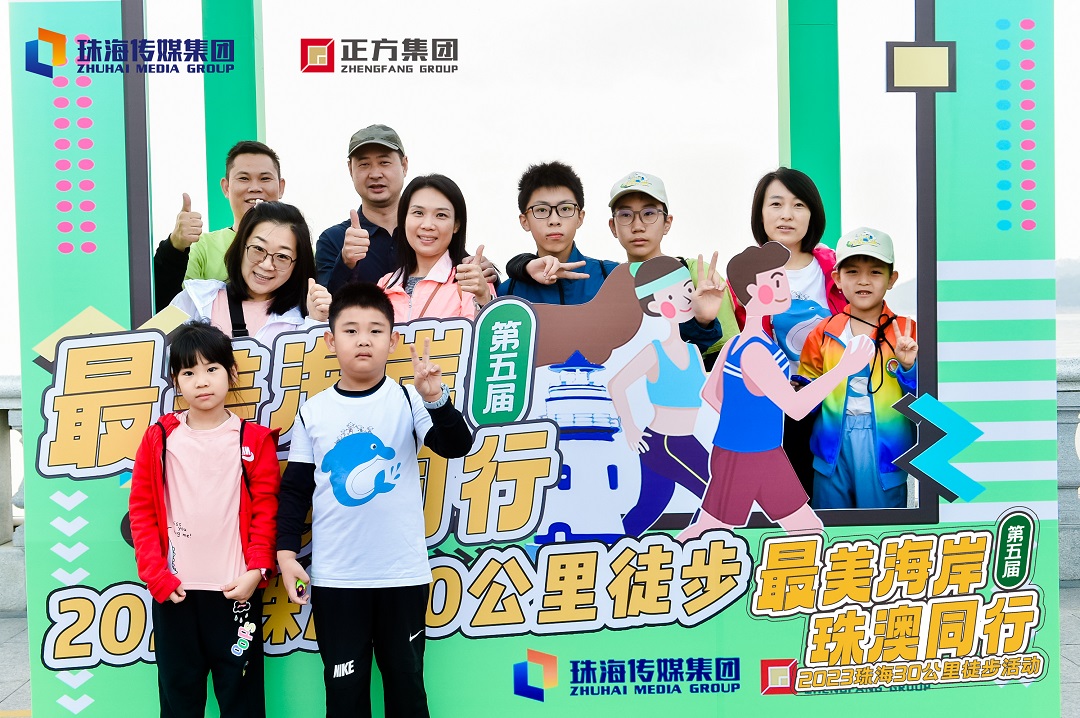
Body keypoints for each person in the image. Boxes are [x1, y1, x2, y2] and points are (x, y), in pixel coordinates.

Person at [276, 282, 473, 717]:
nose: (363, 340)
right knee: (344, 697)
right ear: (331, 341)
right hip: (337, 581)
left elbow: (455, 445)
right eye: (350, 330)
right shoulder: (314, 410)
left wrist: (436, 400)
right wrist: (286, 555)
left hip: (401, 576)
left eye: (375, 330)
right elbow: (295, 490)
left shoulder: (408, 399)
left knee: (407, 689)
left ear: (393, 340)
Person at [128, 321, 281, 717]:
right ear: (175, 381)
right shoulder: (160, 437)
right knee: (179, 702)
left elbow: (266, 511)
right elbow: (142, 512)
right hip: (175, 594)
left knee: (242, 701)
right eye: (188, 372)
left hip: (236, 593)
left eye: (212, 368)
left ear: (231, 373)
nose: (202, 381)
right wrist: (157, 577)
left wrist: (257, 571)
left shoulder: (253, 439)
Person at [678, 242, 874, 541]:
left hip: (757, 452)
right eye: (777, 281)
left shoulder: (740, 342)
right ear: (754, 291)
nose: (785, 289)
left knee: (806, 531)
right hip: (746, 456)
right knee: (710, 531)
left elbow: (713, 396)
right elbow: (795, 408)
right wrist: (844, 368)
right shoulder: (755, 350)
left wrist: (748, 417)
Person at [738, 167, 848, 499]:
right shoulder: (743, 276)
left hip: (834, 409)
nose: (787, 214)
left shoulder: (837, 268)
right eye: (776, 204)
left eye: (799, 205)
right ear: (760, 213)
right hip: (775, 413)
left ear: (813, 214)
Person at [799, 227, 918, 509]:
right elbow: (806, 394)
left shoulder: (907, 331)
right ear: (837, 279)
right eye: (852, 272)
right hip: (831, 445)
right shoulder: (823, 332)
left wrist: (908, 367)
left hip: (887, 446)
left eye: (875, 272)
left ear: (892, 279)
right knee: (831, 525)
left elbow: (927, 398)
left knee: (882, 527)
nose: (863, 281)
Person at [607, 255, 722, 536]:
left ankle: (610, 551)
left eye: (687, 290)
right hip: (665, 442)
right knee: (716, 495)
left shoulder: (693, 351)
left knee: (648, 508)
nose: (684, 299)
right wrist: (630, 428)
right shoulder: (654, 351)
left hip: (682, 440)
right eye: (672, 295)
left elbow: (707, 395)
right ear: (655, 306)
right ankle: (684, 547)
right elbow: (616, 384)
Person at [607, 171, 729, 359]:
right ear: (613, 226)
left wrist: (704, 322)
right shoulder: (609, 283)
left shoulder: (697, 274)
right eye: (625, 215)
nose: (638, 226)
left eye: (649, 213)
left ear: (667, 223)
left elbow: (727, 355)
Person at [153, 140, 285, 311]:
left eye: (265, 178)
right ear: (226, 187)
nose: (255, 188)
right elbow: (171, 311)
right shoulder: (201, 247)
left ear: (281, 187)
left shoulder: (300, 248)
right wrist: (174, 247)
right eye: (244, 178)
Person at [170, 201, 316, 345]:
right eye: (258, 249)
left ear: (298, 264)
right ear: (241, 246)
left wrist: (316, 323)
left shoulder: (307, 317)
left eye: (282, 256)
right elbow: (155, 344)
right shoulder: (195, 298)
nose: (266, 265)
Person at [376, 174, 495, 322]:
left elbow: (484, 333)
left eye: (441, 215)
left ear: (456, 225)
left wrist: (483, 298)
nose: (427, 225)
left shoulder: (471, 279)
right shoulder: (385, 284)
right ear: (404, 219)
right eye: (418, 213)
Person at [498, 161, 619, 304]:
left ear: (580, 217)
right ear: (525, 221)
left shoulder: (612, 277)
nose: (554, 220)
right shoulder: (507, 293)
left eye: (565, 208)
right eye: (541, 210)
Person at [316, 125, 407, 291]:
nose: (375, 174)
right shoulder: (333, 240)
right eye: (364, 164)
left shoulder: (426, 233)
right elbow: (325, 303)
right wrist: (346, 262)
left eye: (384, 162)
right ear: (350, 170)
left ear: (404, 165)